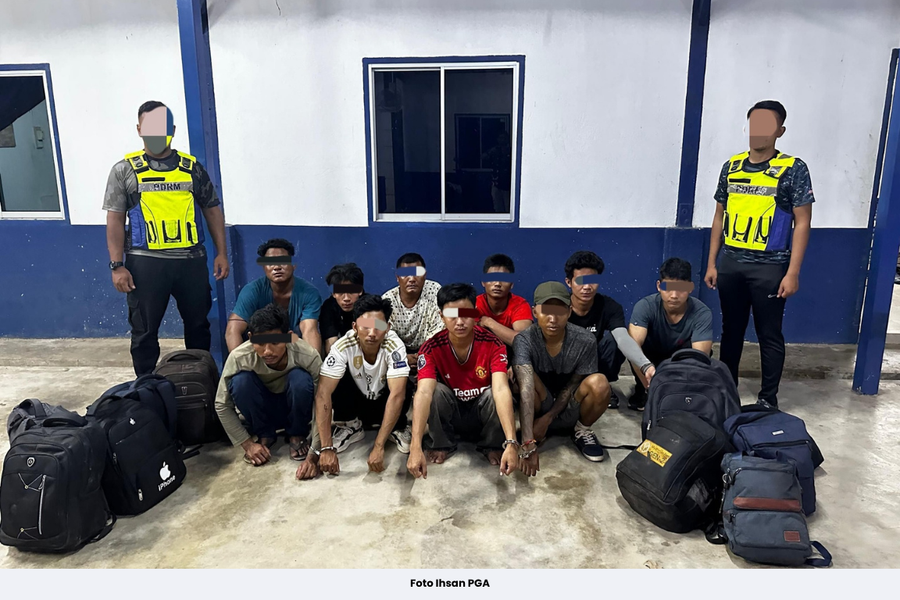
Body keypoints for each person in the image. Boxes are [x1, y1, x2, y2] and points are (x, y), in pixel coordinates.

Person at [104, 100, 229, 376]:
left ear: (172, 130)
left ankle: (201, 382)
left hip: (191, 262)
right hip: (145, 264)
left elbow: (212, 209)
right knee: (144, 332)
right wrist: (117, 265)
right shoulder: (124, 170)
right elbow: (115, 220)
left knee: (198, 328)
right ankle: (146, 388)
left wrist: (222, 252)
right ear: (139, 129)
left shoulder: (192, 168)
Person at [705, 100, 814, 409]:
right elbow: (719, 216)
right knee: (731, 331)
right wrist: (712, 262)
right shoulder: (731, 166)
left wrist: (792, 272)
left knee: (769, 334)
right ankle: (728, 392)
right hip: (731, 264)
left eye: (767, 125)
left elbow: (802, 222)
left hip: (770, 268)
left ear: (780, 131)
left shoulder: (793, 169)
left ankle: (768, 399)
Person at [406, 283, 519, 478]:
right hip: (452, 414)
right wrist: (415, 447)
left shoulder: (493, 344)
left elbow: (501, 389)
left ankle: (491, 444)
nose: (459, 322)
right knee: (435, 391)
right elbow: (423, 392)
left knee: (494, 393)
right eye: (452, 315)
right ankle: (442, 443)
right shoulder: (431, 348)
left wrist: (511, 443)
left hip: (482, 414)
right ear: (442, 317)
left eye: (466, 314)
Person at [301, 295, 411, 479]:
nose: (372, 333)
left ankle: (396, 428)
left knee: (404, 384)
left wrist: (378, 446)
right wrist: (326, 448)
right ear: (354, 327)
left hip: (383, 403)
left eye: (379, 326)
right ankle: (351, 426)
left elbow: (397, 395)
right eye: (365, 326)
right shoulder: (343, 346)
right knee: (333, 379)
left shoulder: (395, 345)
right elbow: (323, 395)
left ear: (388, 328)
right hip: (358, 405)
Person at [513, 282, 612, 472]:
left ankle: (581, 430)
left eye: (559, 311)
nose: (552, 318)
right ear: (535, 312)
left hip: (570, 405)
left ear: (569, 311)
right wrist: (527, 441)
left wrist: (548, 419)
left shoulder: (585, 340)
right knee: (519, 377)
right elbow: (526, 388)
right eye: (546, 311)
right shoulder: (524, 339)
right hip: (540, 403)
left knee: (599, 382)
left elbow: (574, 383)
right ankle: (533, 429)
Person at [214, 304, 321, 467]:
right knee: (240, 382)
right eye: (260, 343)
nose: (267, 351)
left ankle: (297, 434)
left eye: (276, 342)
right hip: (262, 412)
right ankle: (265, 434)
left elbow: (323, 400)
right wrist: (247, 444)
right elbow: (221, 404)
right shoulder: (239, 357)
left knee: (300, 379)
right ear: (250, 337)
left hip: (296, 410)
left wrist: (315, 451)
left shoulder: (307, 354)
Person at [564, 251, 653, 409]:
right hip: (566, 363)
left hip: (594, 362)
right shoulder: (560, 306)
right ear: (569, 282)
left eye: (592, 281)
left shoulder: (609, 306)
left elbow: (622, 338)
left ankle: (602, 384)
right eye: (581, 281)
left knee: (616, 339)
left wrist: (646, 366)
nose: (587, 287)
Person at [628, 258, 714, 410]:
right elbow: (632, 349)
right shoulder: (645, 306)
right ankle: (644, 390)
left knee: (700, 357)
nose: (674, 295)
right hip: (650, 361)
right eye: (668, 287)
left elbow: (699, 359)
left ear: (690, 288)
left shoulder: (702, 313)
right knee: (628, 345)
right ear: (659, 286)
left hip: (679, 362)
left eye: (681, 288)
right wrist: (650, 386)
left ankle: (679, 394)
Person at [226, 239, 322, 355]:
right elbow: (232, 330)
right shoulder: (252, 291)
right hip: (260, 350)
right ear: (264, 267)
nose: (277, 267)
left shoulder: (309, 293)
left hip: (294, 349)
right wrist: (240, 361)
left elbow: (309, 330)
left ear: (294, 265)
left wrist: (313, 362)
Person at [382, 252, 445, 382]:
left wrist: (423, 356)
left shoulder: (435, 291)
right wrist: (403, 356)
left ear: (424, 275)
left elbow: (439, 328)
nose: (411, 279)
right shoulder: (387, 300)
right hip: (398, 352)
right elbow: (385, 333)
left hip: (431, 350)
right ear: (397, 277)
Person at [475, 254, 533, 348]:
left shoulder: (520, 305)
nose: (497, 284)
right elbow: (452, 315)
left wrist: (489, 322)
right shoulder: (474, 303)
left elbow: (524, 343)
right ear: (483, 282)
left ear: (512, 284)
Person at [320, 263, 365, 355]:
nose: (346, 298)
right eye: (340, 292)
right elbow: (331, 344)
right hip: (342, 356)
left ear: (360, 291)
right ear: (333, 293)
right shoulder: (328, 307)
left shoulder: (372, 306)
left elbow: (382, 328)